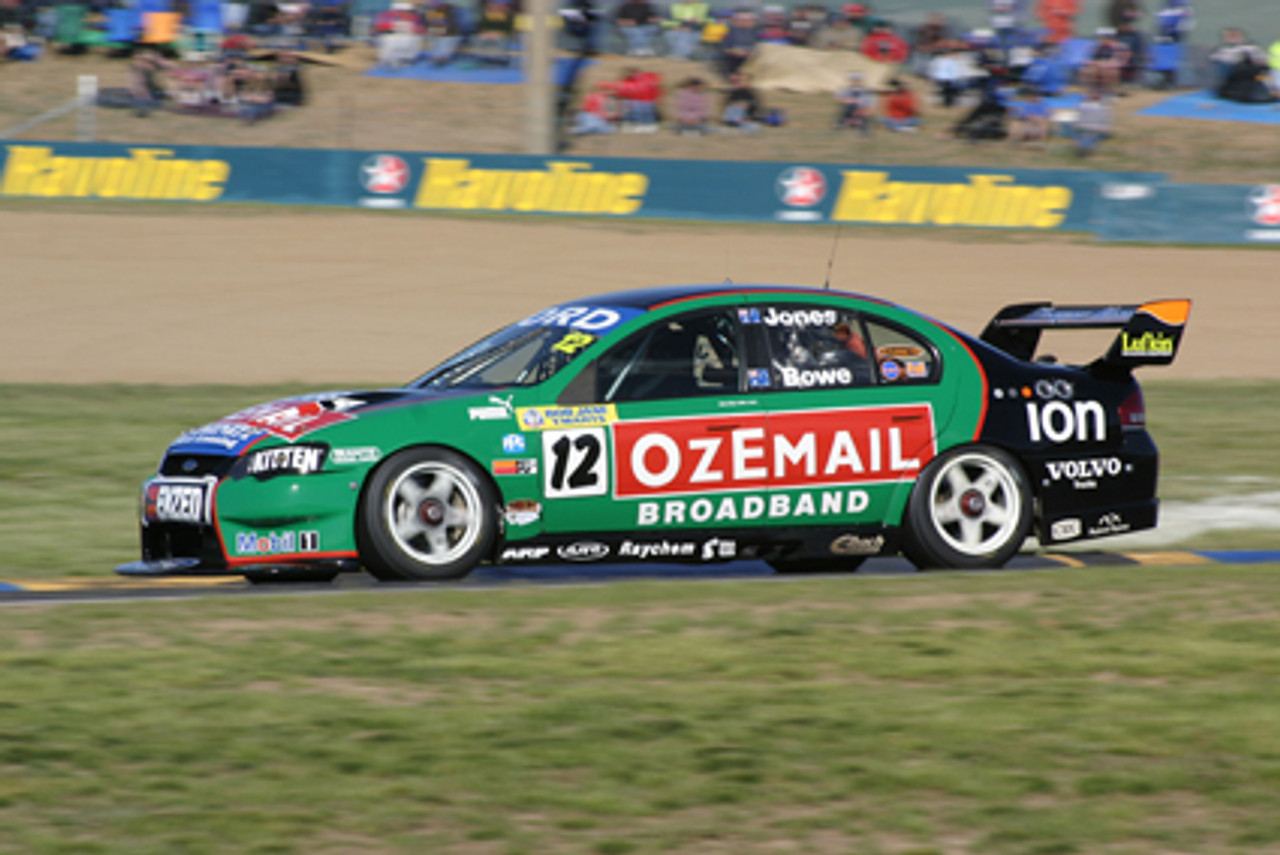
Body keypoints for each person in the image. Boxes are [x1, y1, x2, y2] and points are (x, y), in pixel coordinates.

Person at [716, 9, 757, 79]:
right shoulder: (728, 32)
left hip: (753, 60)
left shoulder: (757, 32)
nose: (743, 22)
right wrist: (734, 52)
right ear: (734, 21)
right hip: (732, 60)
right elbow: (724, 47)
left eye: (747, 20)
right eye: (740, 20)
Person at [1073, 89, 1111, 154]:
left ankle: (1083, 146)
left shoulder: (1081, 105)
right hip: (1094, 128)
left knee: (1084, 135)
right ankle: (1085, 147)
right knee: (1092, 136)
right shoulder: (1103, 107)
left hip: (1083, 128)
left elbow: (1077, 119)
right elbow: (1105, 122)